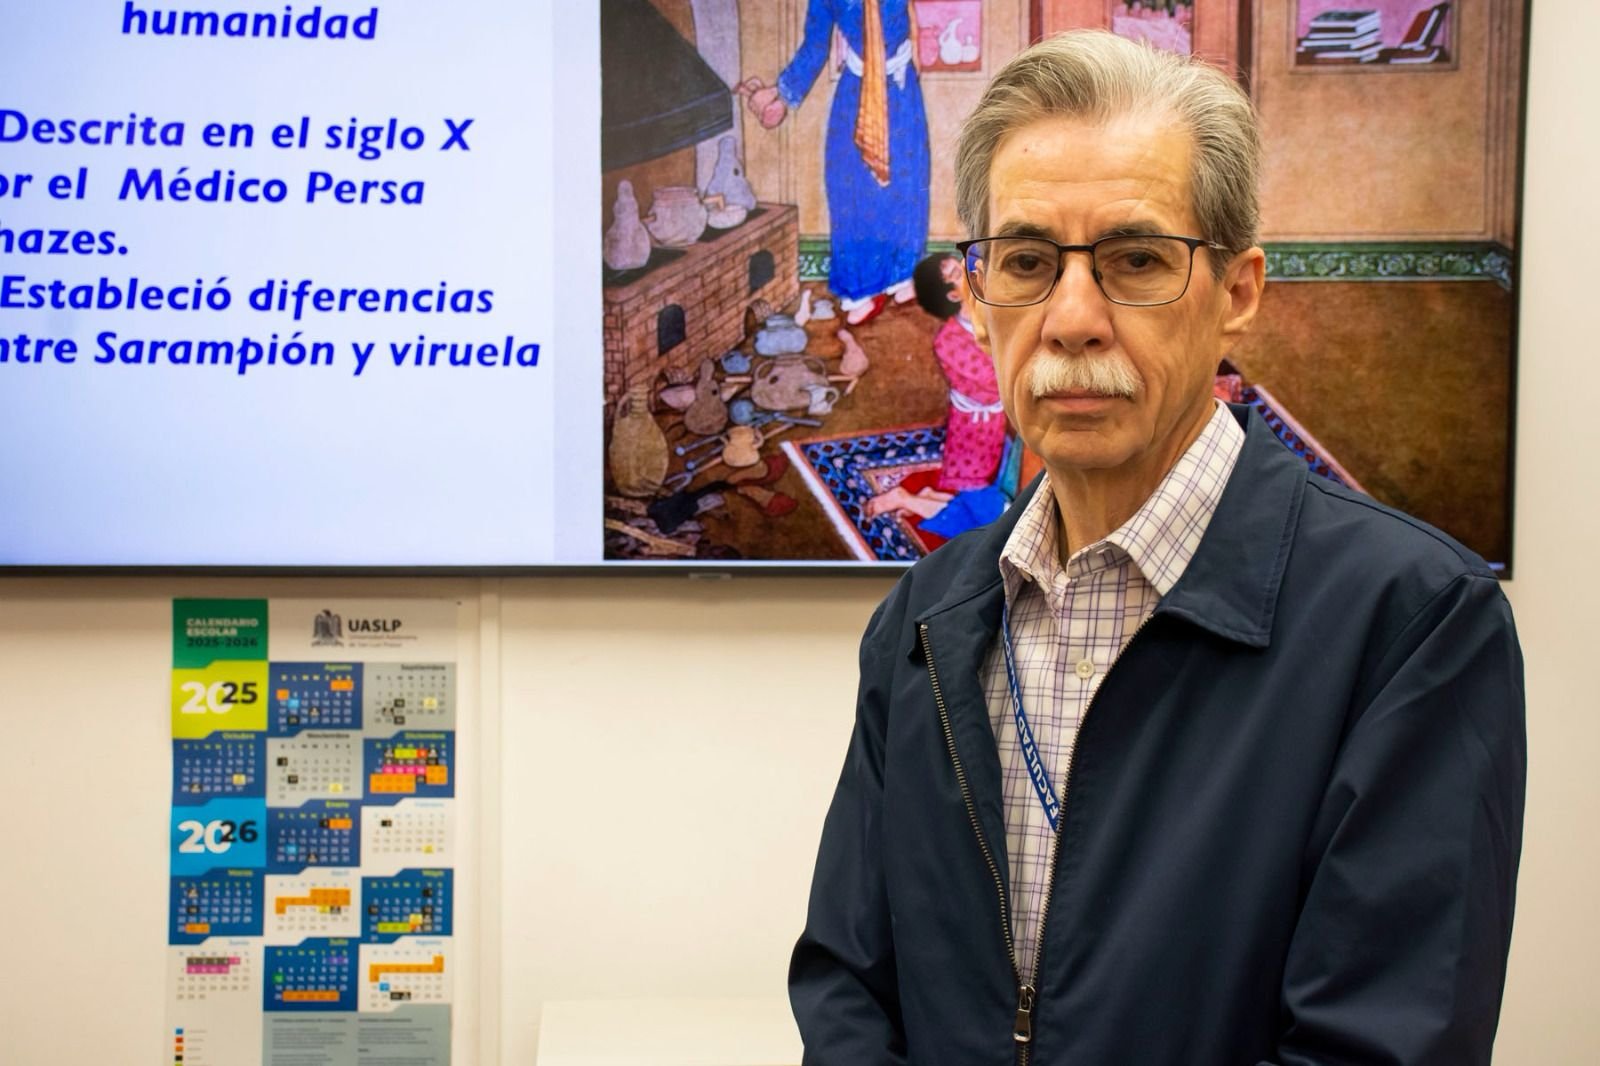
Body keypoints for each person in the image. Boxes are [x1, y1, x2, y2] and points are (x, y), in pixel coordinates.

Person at [789, 30, 1525, 1066]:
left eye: (1136, 261)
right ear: (978, 294)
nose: (1071, 320)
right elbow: (849, 988)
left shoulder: (1412, 624)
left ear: (1238, 292)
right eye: (1027, 263)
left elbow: (1376, 1043)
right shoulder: (922, 617)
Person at [743, 0, 931, 326]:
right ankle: (860, 290)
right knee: (852, 191)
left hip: (901, 90)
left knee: (908, 182)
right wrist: (781, 96)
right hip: (857, 92)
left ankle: (902, 274)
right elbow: (815, 45)